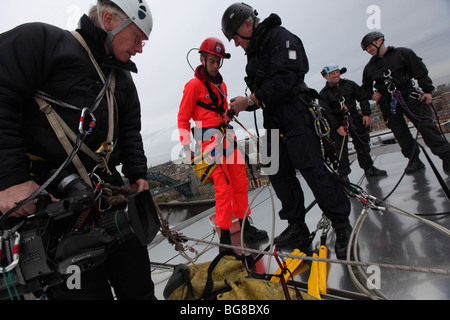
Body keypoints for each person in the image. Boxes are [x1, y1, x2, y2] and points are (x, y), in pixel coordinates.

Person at [0, 0, 156, 299]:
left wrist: (138, 175)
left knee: (139, 288)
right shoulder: (43, 43)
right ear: (110, 21)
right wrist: (9, 179)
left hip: (109, 199)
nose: (140, 48)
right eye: (138, 37)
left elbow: (130, 131)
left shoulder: (120, 78)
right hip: (56, 206)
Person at [222, 3, 352, 258]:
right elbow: (265, 92)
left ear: (247, 25)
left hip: (295, 116)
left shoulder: (281, 37)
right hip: (272, 120)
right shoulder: (255, 51)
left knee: (314, 171)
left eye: (235, 37)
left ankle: (341, 224)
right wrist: (244, 105)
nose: (236, 44)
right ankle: (296, 226)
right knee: (275, 172)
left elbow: (286, 79)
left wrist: (250, 101)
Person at [177, 37, 267, 250]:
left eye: (218, 62)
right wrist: (188, 149)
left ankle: (246, 225)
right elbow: (182, 119)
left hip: (228, 140)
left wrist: (228, 113)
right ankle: (225, 237)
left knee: (240, 185)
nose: (216, 66)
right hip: (208, 145)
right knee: (223, 189)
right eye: (212, 61)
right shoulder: (193, 86)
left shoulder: (222, 85)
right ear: (202, 60)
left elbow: (219, 114)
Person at [361, 31, 450, 173]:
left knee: (426, 127)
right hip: (388, 102)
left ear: (380, 41)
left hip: (409, 96)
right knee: (400, 132)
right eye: (366, 49)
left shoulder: (402, 53)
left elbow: (419, 71)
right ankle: (414, 160)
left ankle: (447, 157)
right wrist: (372, 96)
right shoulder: (369, 68)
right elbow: (365, 88)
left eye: (370, 47)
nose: (369, 50)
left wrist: (427, 91)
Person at [319, 64, 387, 182]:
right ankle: (343, 174)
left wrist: (366, 113)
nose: (336, 75)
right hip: (338, 122)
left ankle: (368, 168)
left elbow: (362, 97)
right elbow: (327, 113)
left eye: (337, 72)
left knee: (362, 145)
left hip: (354, 118)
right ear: (326, 77)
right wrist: (337, 127)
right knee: (341, 150)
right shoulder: (324, 94)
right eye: (332, 74)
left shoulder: (349, 85)